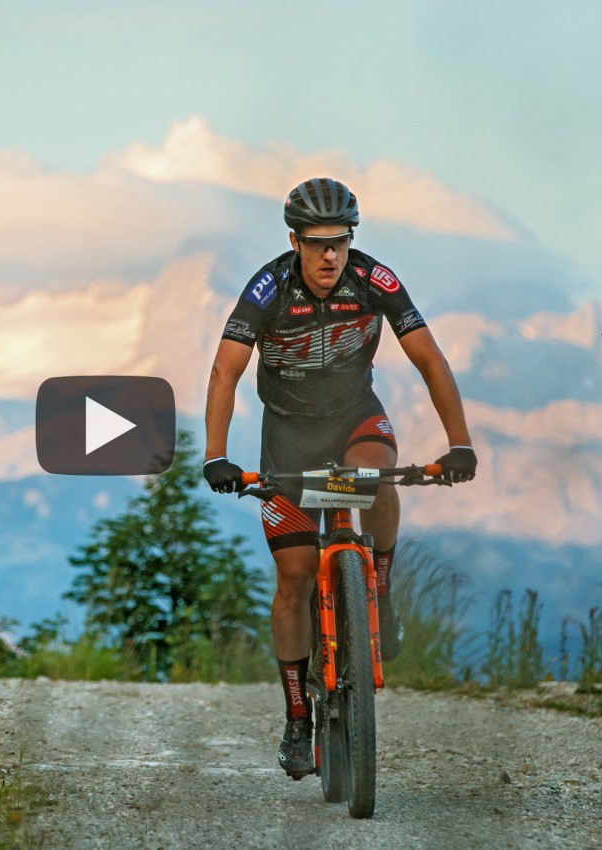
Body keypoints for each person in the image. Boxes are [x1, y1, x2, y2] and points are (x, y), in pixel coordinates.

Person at [202, 178, 477, 778]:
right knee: (294, 580)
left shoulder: (373, 279)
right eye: (318, 243)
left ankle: (377, 588)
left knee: (378, 475)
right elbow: (225, 370)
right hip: (289, 435)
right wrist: (215, 455)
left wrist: (459, 443)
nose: (331, 256)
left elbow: (429, 357)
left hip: (355, 418)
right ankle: (298, 718)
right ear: (295, 241)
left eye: (341, 242)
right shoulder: (268, 286)